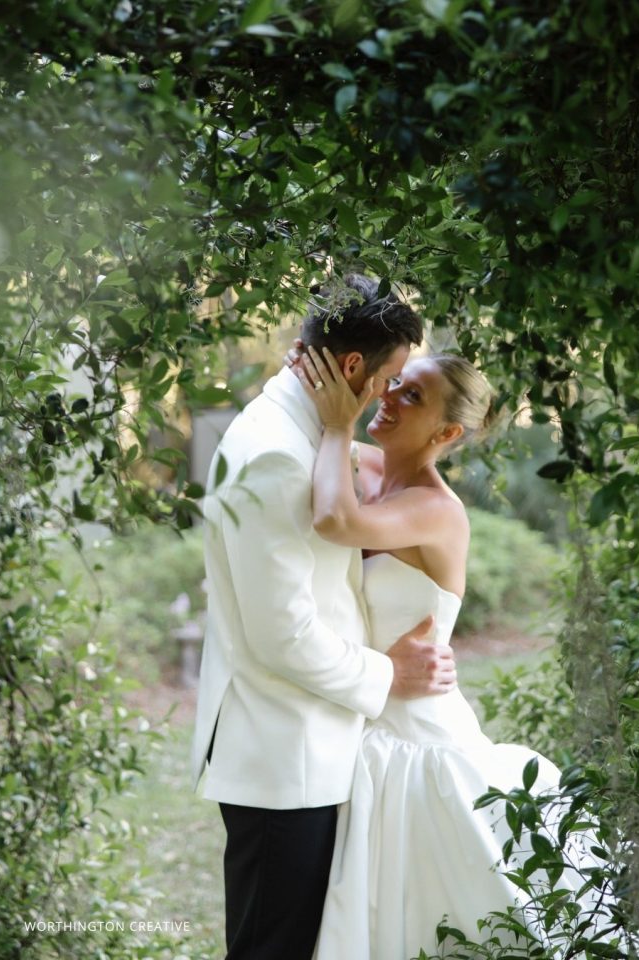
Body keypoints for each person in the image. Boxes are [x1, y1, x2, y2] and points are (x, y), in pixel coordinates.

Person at [293, 346, 611, 959]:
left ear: (446, 434)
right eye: (395, 382)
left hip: (416, 737)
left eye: (413, 396)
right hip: (365, 715)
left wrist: (337, 424)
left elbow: (334, 521)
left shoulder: (436, 510)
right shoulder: (370, 470)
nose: (389, 396)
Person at [191, 275, 458, 960]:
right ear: (352, 367)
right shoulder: (277, 454)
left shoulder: (300, 430)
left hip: (314, 746)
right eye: (389, 379)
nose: (387, 395)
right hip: (285, 757)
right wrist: (388, 675)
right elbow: (282, 633)